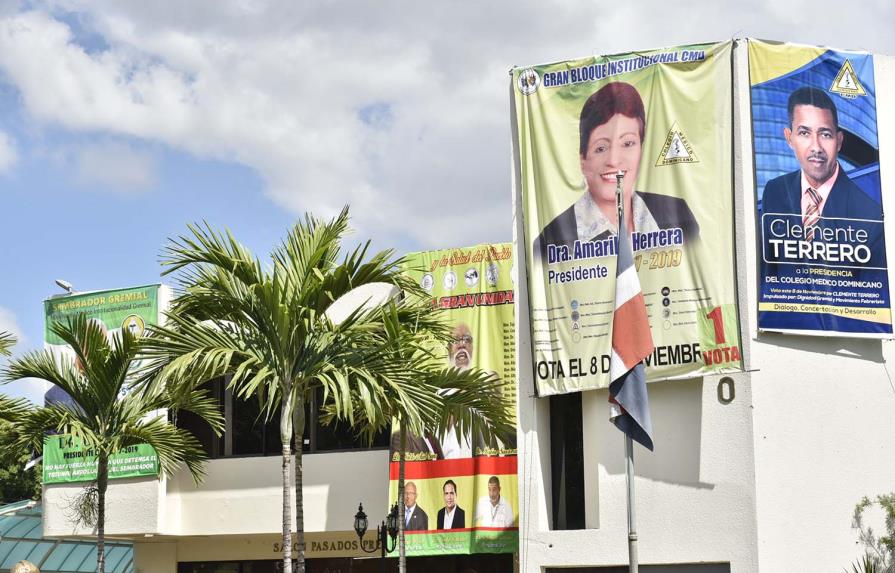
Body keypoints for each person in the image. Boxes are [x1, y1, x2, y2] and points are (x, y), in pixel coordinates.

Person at [533, 81, 699, 261]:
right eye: (601, 148)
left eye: (627, 144)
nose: (613, 161)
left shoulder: (677, 213)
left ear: (641, 150)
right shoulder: (550, 240)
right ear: (583, 160)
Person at [761, 86, 882, 227]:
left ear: (839, 141)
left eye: (825, 135)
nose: (816, 148)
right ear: (789, 138)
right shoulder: (774, 191)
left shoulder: (869, 214)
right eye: (804, 133)